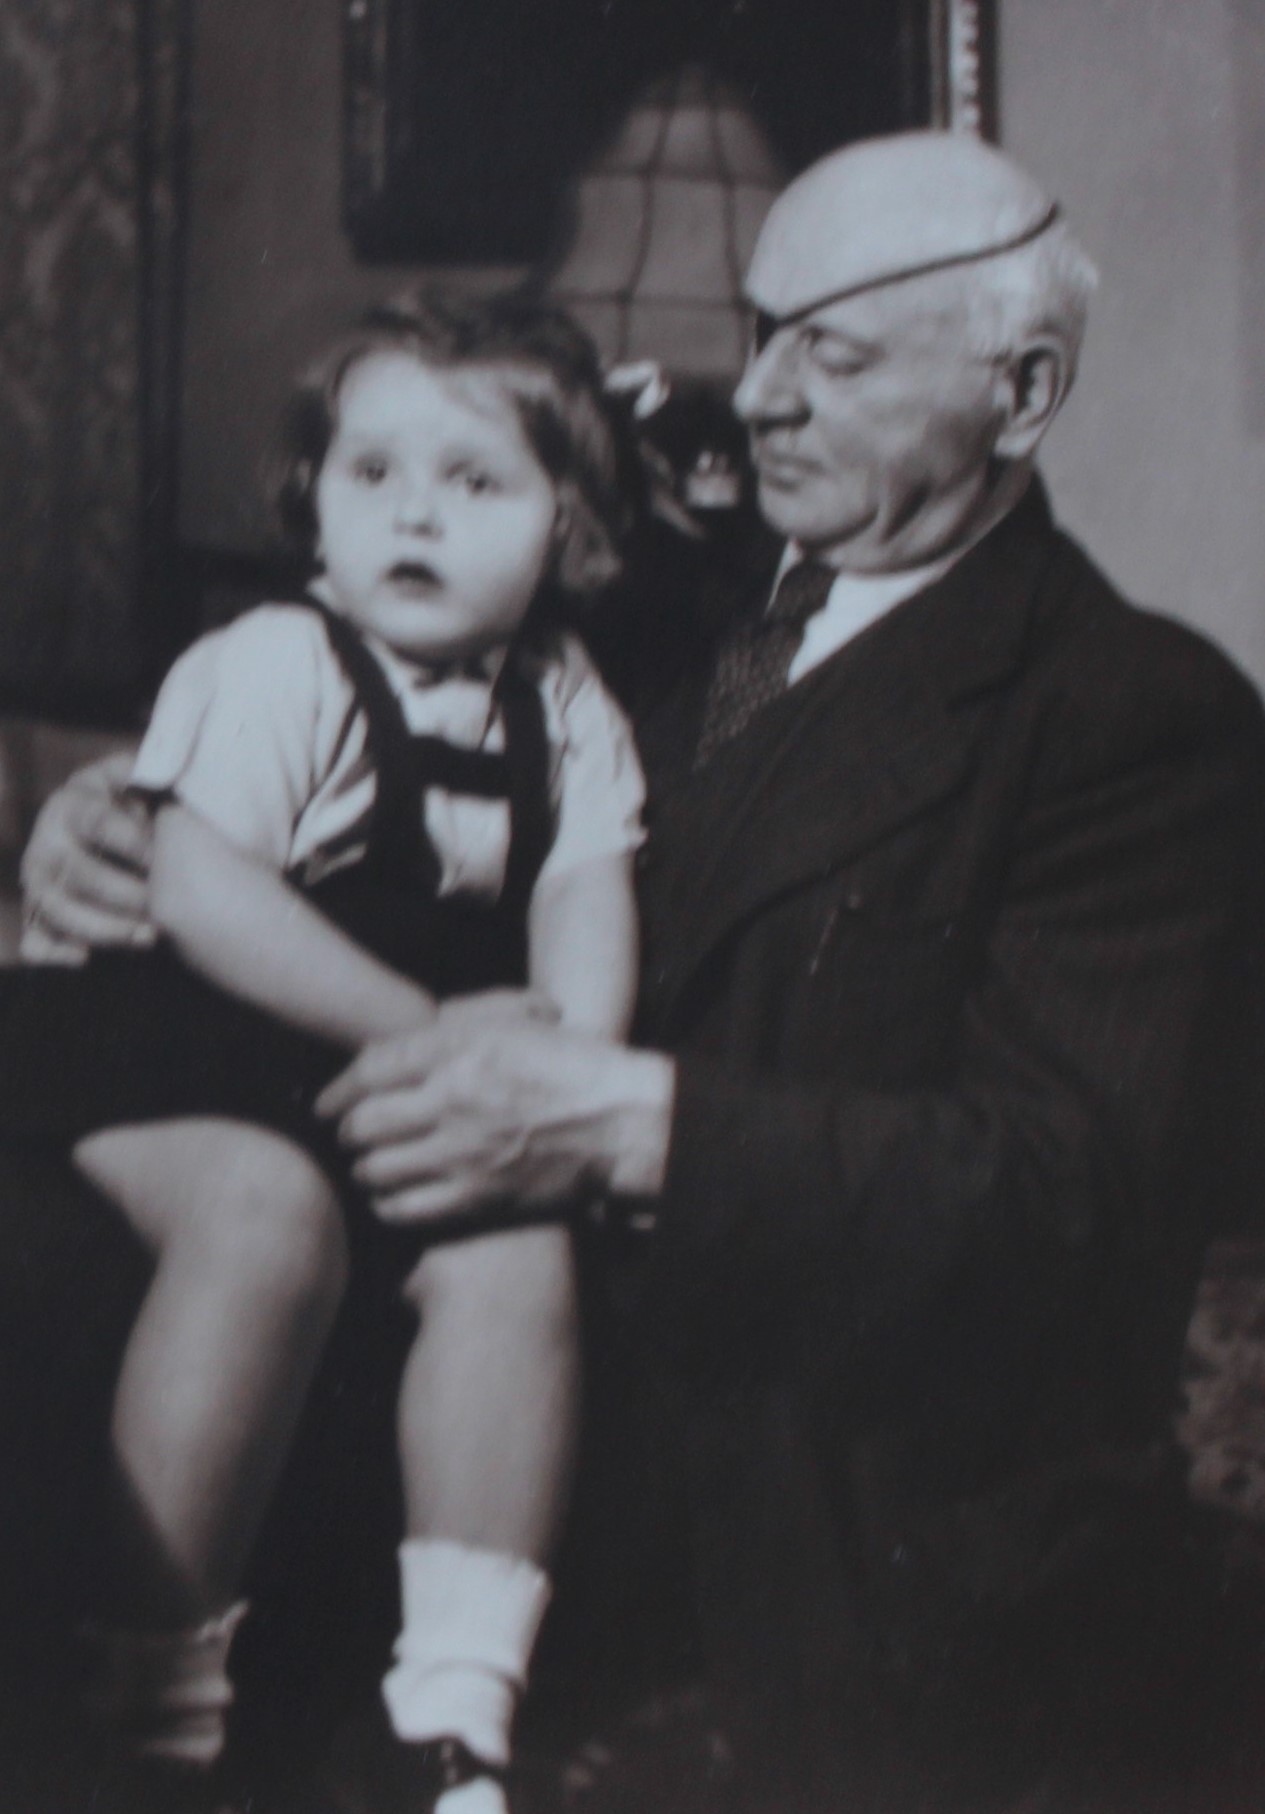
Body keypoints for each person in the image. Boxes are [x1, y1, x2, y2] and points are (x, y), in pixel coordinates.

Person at [25, 133, 1265, 1811]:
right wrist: (124, 819)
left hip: (773, 1546)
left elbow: (1071, 1197)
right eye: (762, 332)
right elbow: (352, 763)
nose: (761, 395)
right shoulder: (626, 612)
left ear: (1022, 391)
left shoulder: (1129, 713)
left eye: (834, 355)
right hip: (378, 1418)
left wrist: (624, 1125)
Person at [4, 290, 645, 1814]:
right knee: (263, 1214)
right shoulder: (275, 657)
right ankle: (152, 1698)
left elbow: (582, 891)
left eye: (473, 481)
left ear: (567, 527)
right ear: (316, 499)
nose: (413, 513)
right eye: (371, 474)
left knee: (513, 1246)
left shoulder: (566, 698)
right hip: (167, 1029)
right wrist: (434, 1036)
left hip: (363, 1058)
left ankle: (459, 1710)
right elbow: (201, 893)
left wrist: (563, 1071)